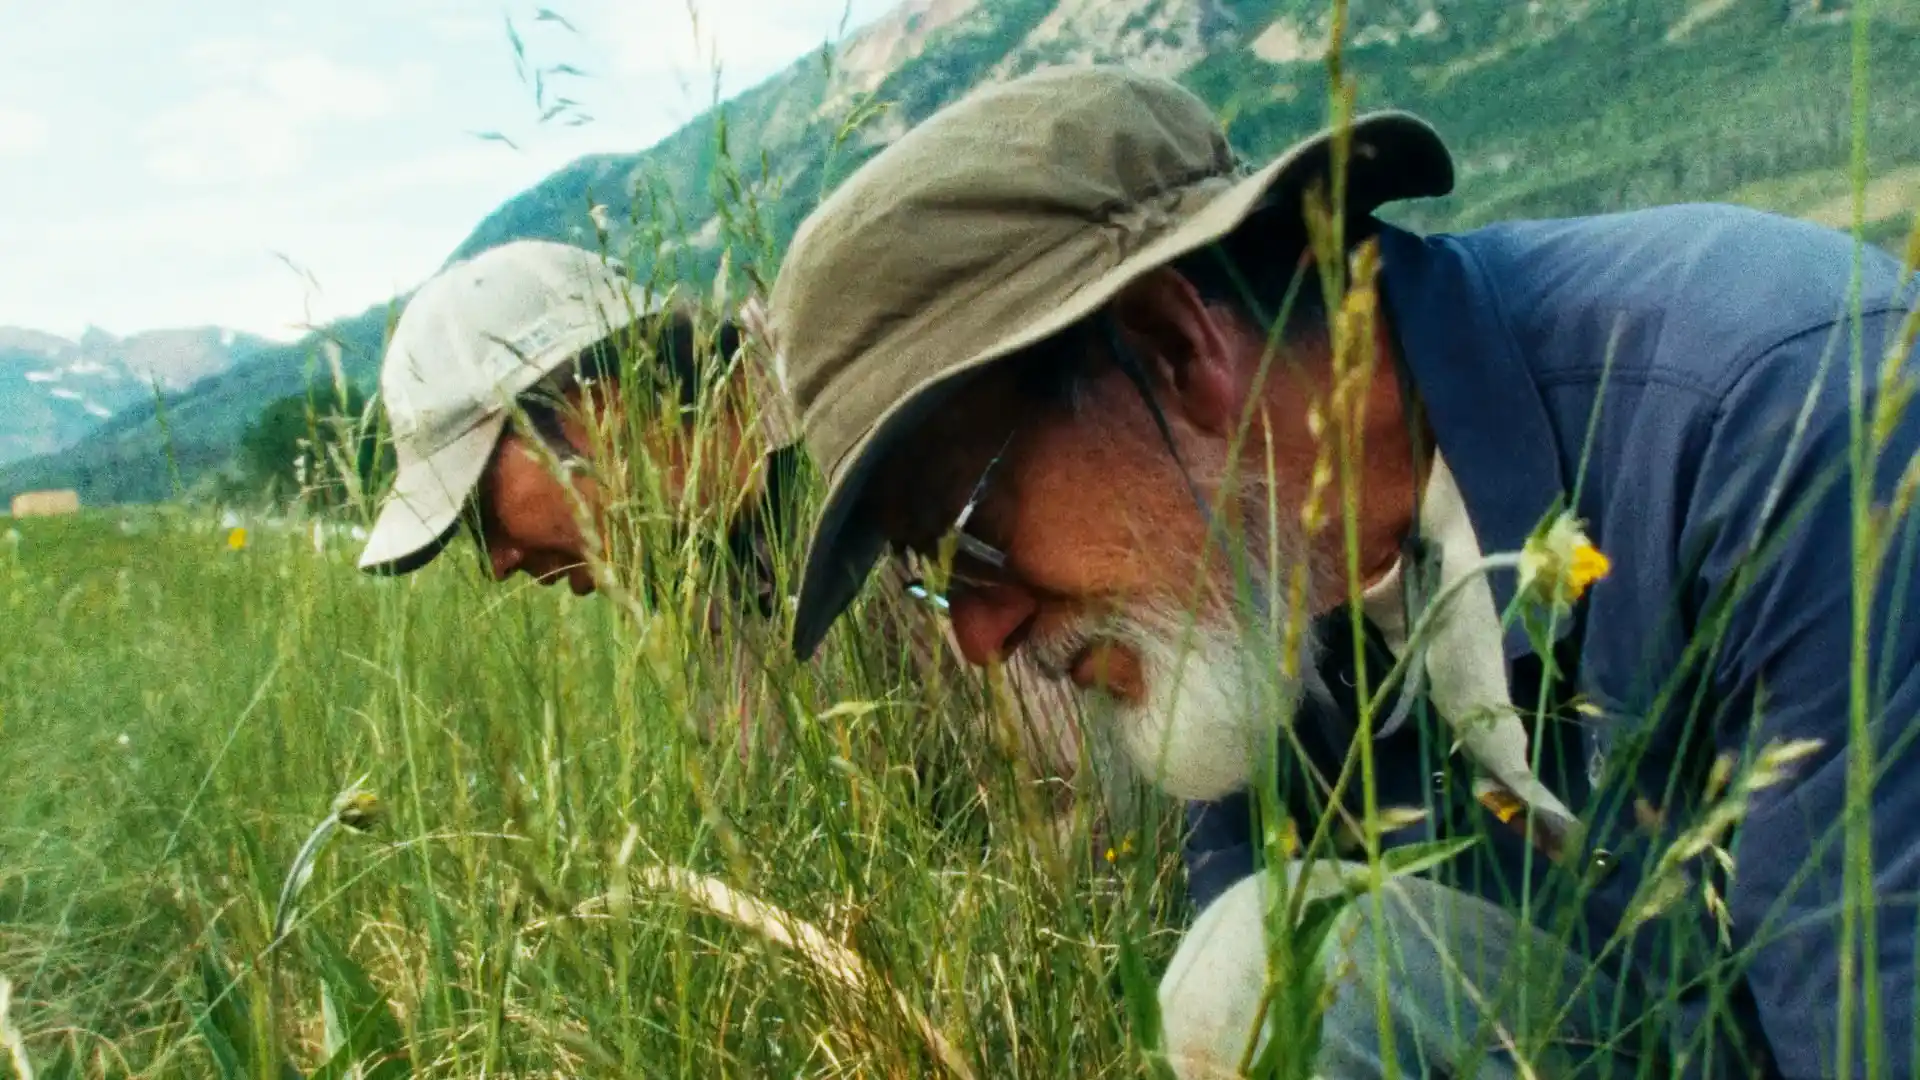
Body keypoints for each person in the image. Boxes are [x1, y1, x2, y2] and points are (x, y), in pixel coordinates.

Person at [766, 64, 1920, 1079]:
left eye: (971, 533)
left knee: (1267, 979)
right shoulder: (1244, 591)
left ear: (1176, 350)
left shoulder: (1784, 421)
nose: (978, 634)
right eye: (931, 575)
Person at [352, 238, 1113, 846]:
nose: (497, 564)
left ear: (595, 406)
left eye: (483, 514)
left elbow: (1123, 790)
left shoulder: (878, 410)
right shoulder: (692, 573)